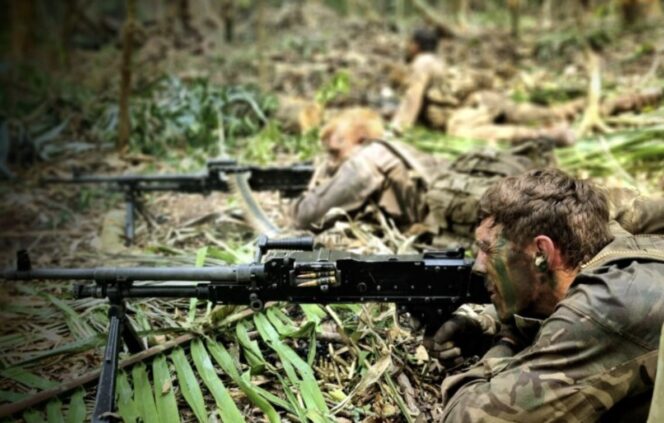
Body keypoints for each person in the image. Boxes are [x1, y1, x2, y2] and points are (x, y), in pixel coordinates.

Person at [425, 168, 664, 421]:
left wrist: (508, 340)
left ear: (542, 251)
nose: (479, 266)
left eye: (488, 249)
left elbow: (466, 417)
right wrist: (487, 320)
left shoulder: (605, 305)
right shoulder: (604, 237)